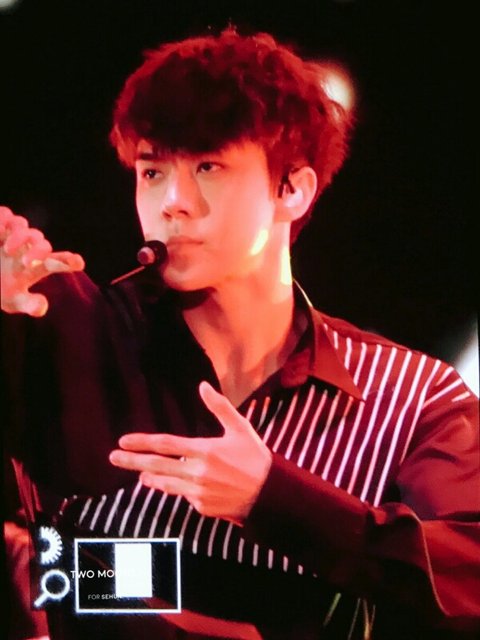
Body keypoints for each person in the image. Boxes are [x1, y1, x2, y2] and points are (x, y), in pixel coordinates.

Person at [1, 27, 479, 640]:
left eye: (208, 166)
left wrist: (272, 498)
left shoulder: (411, 396)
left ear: (293, 189)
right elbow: (64, 576)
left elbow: (467, 576)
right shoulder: (64, 333)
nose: (173, 202)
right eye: (152, 171)